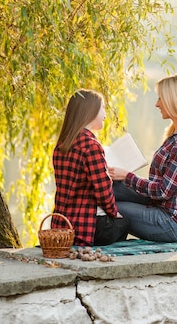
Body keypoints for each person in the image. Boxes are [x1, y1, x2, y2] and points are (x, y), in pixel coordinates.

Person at [109, 73, 177, 242]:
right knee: (109, 186)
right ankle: (75, 227)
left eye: (160, 98)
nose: (157, 104)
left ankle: (98, 240)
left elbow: (163, 191)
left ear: (173, 100)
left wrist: (127, 176)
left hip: (174, 222)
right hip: (162, 205)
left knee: (114, 207)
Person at [52, 89, 129, 246]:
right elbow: (103, 191)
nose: (105, 114)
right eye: (102, 109)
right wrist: (115, 213)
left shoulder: (61, 145)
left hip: (63, 226)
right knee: (125, 222)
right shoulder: (91, 146)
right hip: (88, 228)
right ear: (90, 111)